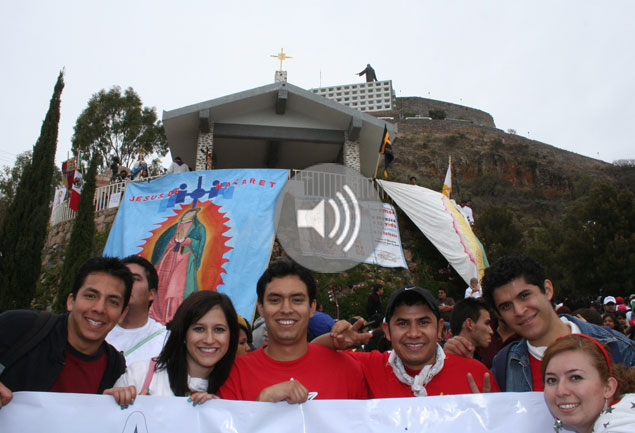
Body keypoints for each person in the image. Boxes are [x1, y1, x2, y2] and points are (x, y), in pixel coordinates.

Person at [476, 255, 635, 392]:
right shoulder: (505, 366)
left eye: (524, 295)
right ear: (498, 314)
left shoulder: (618, 347)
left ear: (547, 290)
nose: (519, 311)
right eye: (506, 306)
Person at [217, 259, 367, 402]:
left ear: (312, 307)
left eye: (297, 300)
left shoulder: (347, 370)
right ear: (261, 308)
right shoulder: (232, 375)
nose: (286, 309)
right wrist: (260, 406)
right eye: (275, 300)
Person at [321, 286, 499, 398]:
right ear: (387, 331)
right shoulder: (368, 368)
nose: (414, 333)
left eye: (423, 322)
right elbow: (308, 357)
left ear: (439, 329)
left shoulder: (475, 374)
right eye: (403, 323)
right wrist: (333, 341)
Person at [0, 257, 133, 407]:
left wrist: (112, 405)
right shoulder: (19, 326)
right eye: (90, 296)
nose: (99, 308)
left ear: (123, 313)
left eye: (113, 302)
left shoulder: (114, 366)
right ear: (71, 301)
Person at [104, 290, 239, 407]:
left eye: (219, 330)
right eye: (199, 329)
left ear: (231, 336)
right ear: (183, 333)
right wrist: (114, 402)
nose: (209, 340)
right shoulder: (140, 376)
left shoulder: (238, 388)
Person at [542, 334, 635, 433]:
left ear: (608, 388)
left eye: (575, 378)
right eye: (552, 380)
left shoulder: (622, 423)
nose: (561, 391)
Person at [150, 207, 206, 324]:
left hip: (184, 259)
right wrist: (175, 241)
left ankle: (175, 314)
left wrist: (186, 240)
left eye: (192, 213)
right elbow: (165, 241)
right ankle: (161, 313)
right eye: (189, 213)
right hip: (169, 257)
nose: (189, 215)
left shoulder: (197, 228)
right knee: (162, 283)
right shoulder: (174, 227)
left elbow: (198, 243)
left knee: (177, 287)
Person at [107, 255, 167, 364]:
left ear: (151, 294)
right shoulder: (97, 327)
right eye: (122, 279)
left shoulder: (165, 340)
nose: (127, 284)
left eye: (134, 279)